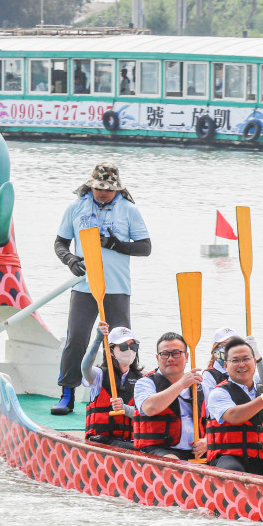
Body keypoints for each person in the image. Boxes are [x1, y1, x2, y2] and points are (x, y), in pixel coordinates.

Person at [52, 163, 151, 414]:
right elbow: (60, 243)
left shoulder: (129, 210)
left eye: (109, 189)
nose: (104, 193)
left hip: (117, 288)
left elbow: (145, 247)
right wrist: (70, 259)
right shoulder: (75, 207)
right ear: (91, 185)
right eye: (99, 188)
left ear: (117, 188)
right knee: (77, 338)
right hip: (84, 286)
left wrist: (115, 244)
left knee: (122, 344)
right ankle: (67, 394)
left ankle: (124, 396)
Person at [204, 337, 263, 475]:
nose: (241, 364)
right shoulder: (218, 393)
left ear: (254, 362)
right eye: (235, 360)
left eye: (246, 359)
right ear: (226, 365)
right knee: (233, 470)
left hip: (261, 455)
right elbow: (234, 416)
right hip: (229, 456)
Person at [133, 332, 206, 461]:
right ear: (157, 358)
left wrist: (207, 440)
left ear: (186, 357)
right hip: (158, 449)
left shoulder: (199, 386)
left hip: (195, 451)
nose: (170, 359)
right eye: (165, 354)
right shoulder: (145, 383)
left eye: (176, 353)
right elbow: (149, 408)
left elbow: (215, 420)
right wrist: (181, 384)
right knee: (172, 462)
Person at [81, 323, 142, 450]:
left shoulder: (141, 380)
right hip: (101, 440)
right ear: (111, 352)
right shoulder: (99, 375)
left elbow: (144, 413)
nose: (129, 350)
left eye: (133, 346)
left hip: (128, 440)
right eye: (123, 346)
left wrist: (124, 408)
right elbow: (85, 368)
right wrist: (98, 339)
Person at [201, 326, 263, 414]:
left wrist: (256, 354)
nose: (241, 365)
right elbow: (211, 410)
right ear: (215, 349)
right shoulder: (209, 375)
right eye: (225, 345)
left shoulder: (246, 369)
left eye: (233, 345)